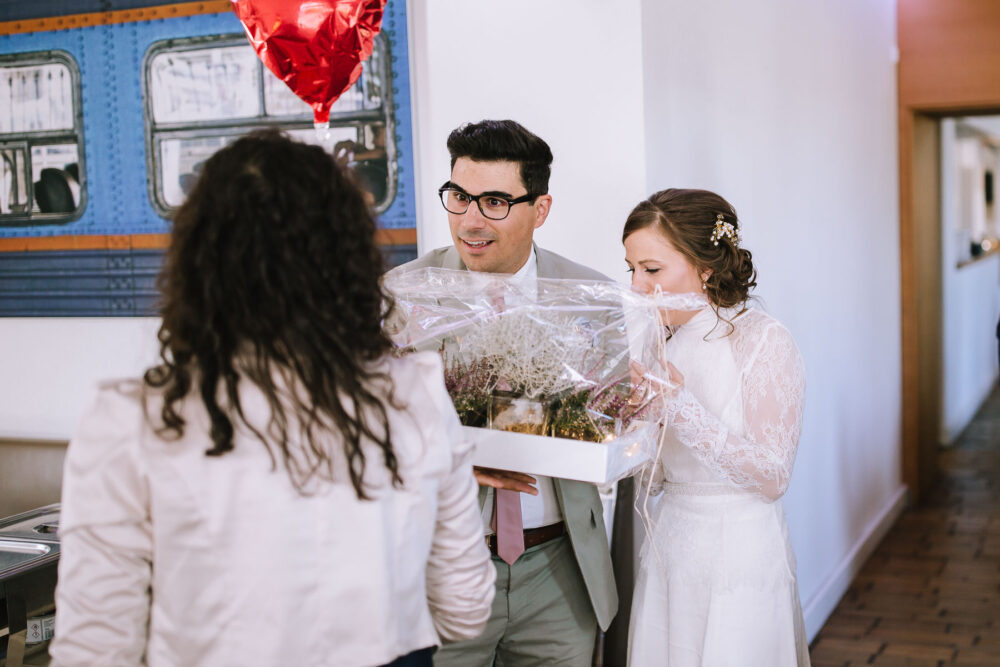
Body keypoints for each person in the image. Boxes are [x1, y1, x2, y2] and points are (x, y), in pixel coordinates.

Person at [49, 129, 495, 667]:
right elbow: (465, 611)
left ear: (198, 263)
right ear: (349, 262)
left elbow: (94, 650)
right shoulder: (414, 395)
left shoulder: (129, 421)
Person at [386, 119, 617, 666]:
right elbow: (373, 433)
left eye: (494, 201)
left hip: (561, 569)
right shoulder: (402, 295)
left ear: (540, 209)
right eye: (459, 197)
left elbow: (611, 414)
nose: (470, 220)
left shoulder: (591, 297)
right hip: (442, 567)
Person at [622, 188, 810, 666]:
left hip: (738, 550)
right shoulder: (656, 344)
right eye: (632, 269)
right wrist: (633, 425)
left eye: (652, 269)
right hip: (670, 547)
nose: (637, 286)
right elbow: (656, 480)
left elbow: (772, 477)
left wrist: (678, 406)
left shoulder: (762, 338)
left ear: (706, 267)